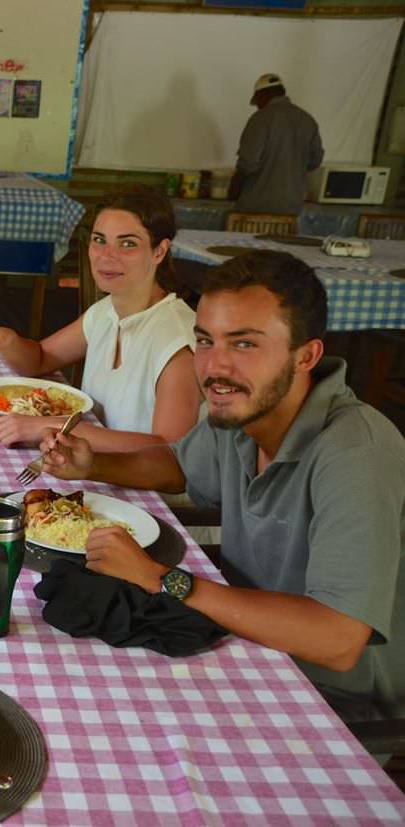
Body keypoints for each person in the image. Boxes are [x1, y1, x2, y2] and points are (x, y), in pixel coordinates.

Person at [39, 249, 404, 725]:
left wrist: (160, 578)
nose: (215, 367)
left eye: (245, 344)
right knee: (63, 691)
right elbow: (178, 466)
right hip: (235, 639)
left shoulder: (357, 454)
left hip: (328, 703)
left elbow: (337, 640)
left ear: (306, 355)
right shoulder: (240, 413)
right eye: (206, 341)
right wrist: (94, 463)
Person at [0, 186, 201, 450]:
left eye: (128, 244)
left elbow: (171, 454)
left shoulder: (177, 339)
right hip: (90, 466)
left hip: (144, 489)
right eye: (99, 240)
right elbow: (40, 358)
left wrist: (52, 426)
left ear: (159, 251)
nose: (106, 256)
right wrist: (9, 341)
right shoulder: (105, 311)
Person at [229, 73, 324, 216]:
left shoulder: (260, 119)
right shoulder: (307, 119)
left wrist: (233, 189)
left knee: (246, 239)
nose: (258, 106)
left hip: (256, 206)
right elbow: (315, 160)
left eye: (257, 101)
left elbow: (248, 163)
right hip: (293, 207)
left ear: (262, 94)